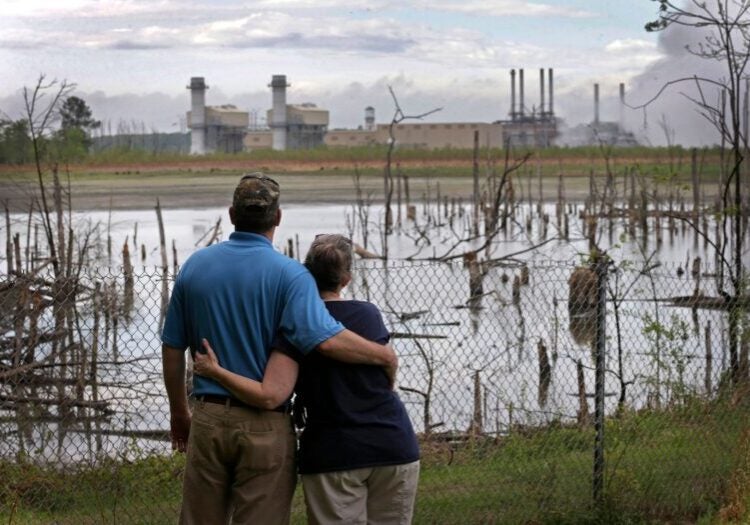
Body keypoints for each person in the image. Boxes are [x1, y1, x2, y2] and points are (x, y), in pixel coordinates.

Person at [161, 174, 397, 525]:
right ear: (278, 217)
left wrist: (180, 413)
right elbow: (328, 339)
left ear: (231, 214)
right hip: (264, 425)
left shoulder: (195, 266)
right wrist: (383, 355)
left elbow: (172, 346)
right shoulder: (291, 276)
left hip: (208, 417)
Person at [195, 234, 420, 525]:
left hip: (335, 453)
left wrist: (216, 372)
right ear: (347, 279)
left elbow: (270, 395)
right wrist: (389, 367)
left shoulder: (293, 324)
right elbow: (386, 364)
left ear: (305, 275)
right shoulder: (369, 314)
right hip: (394, 445)